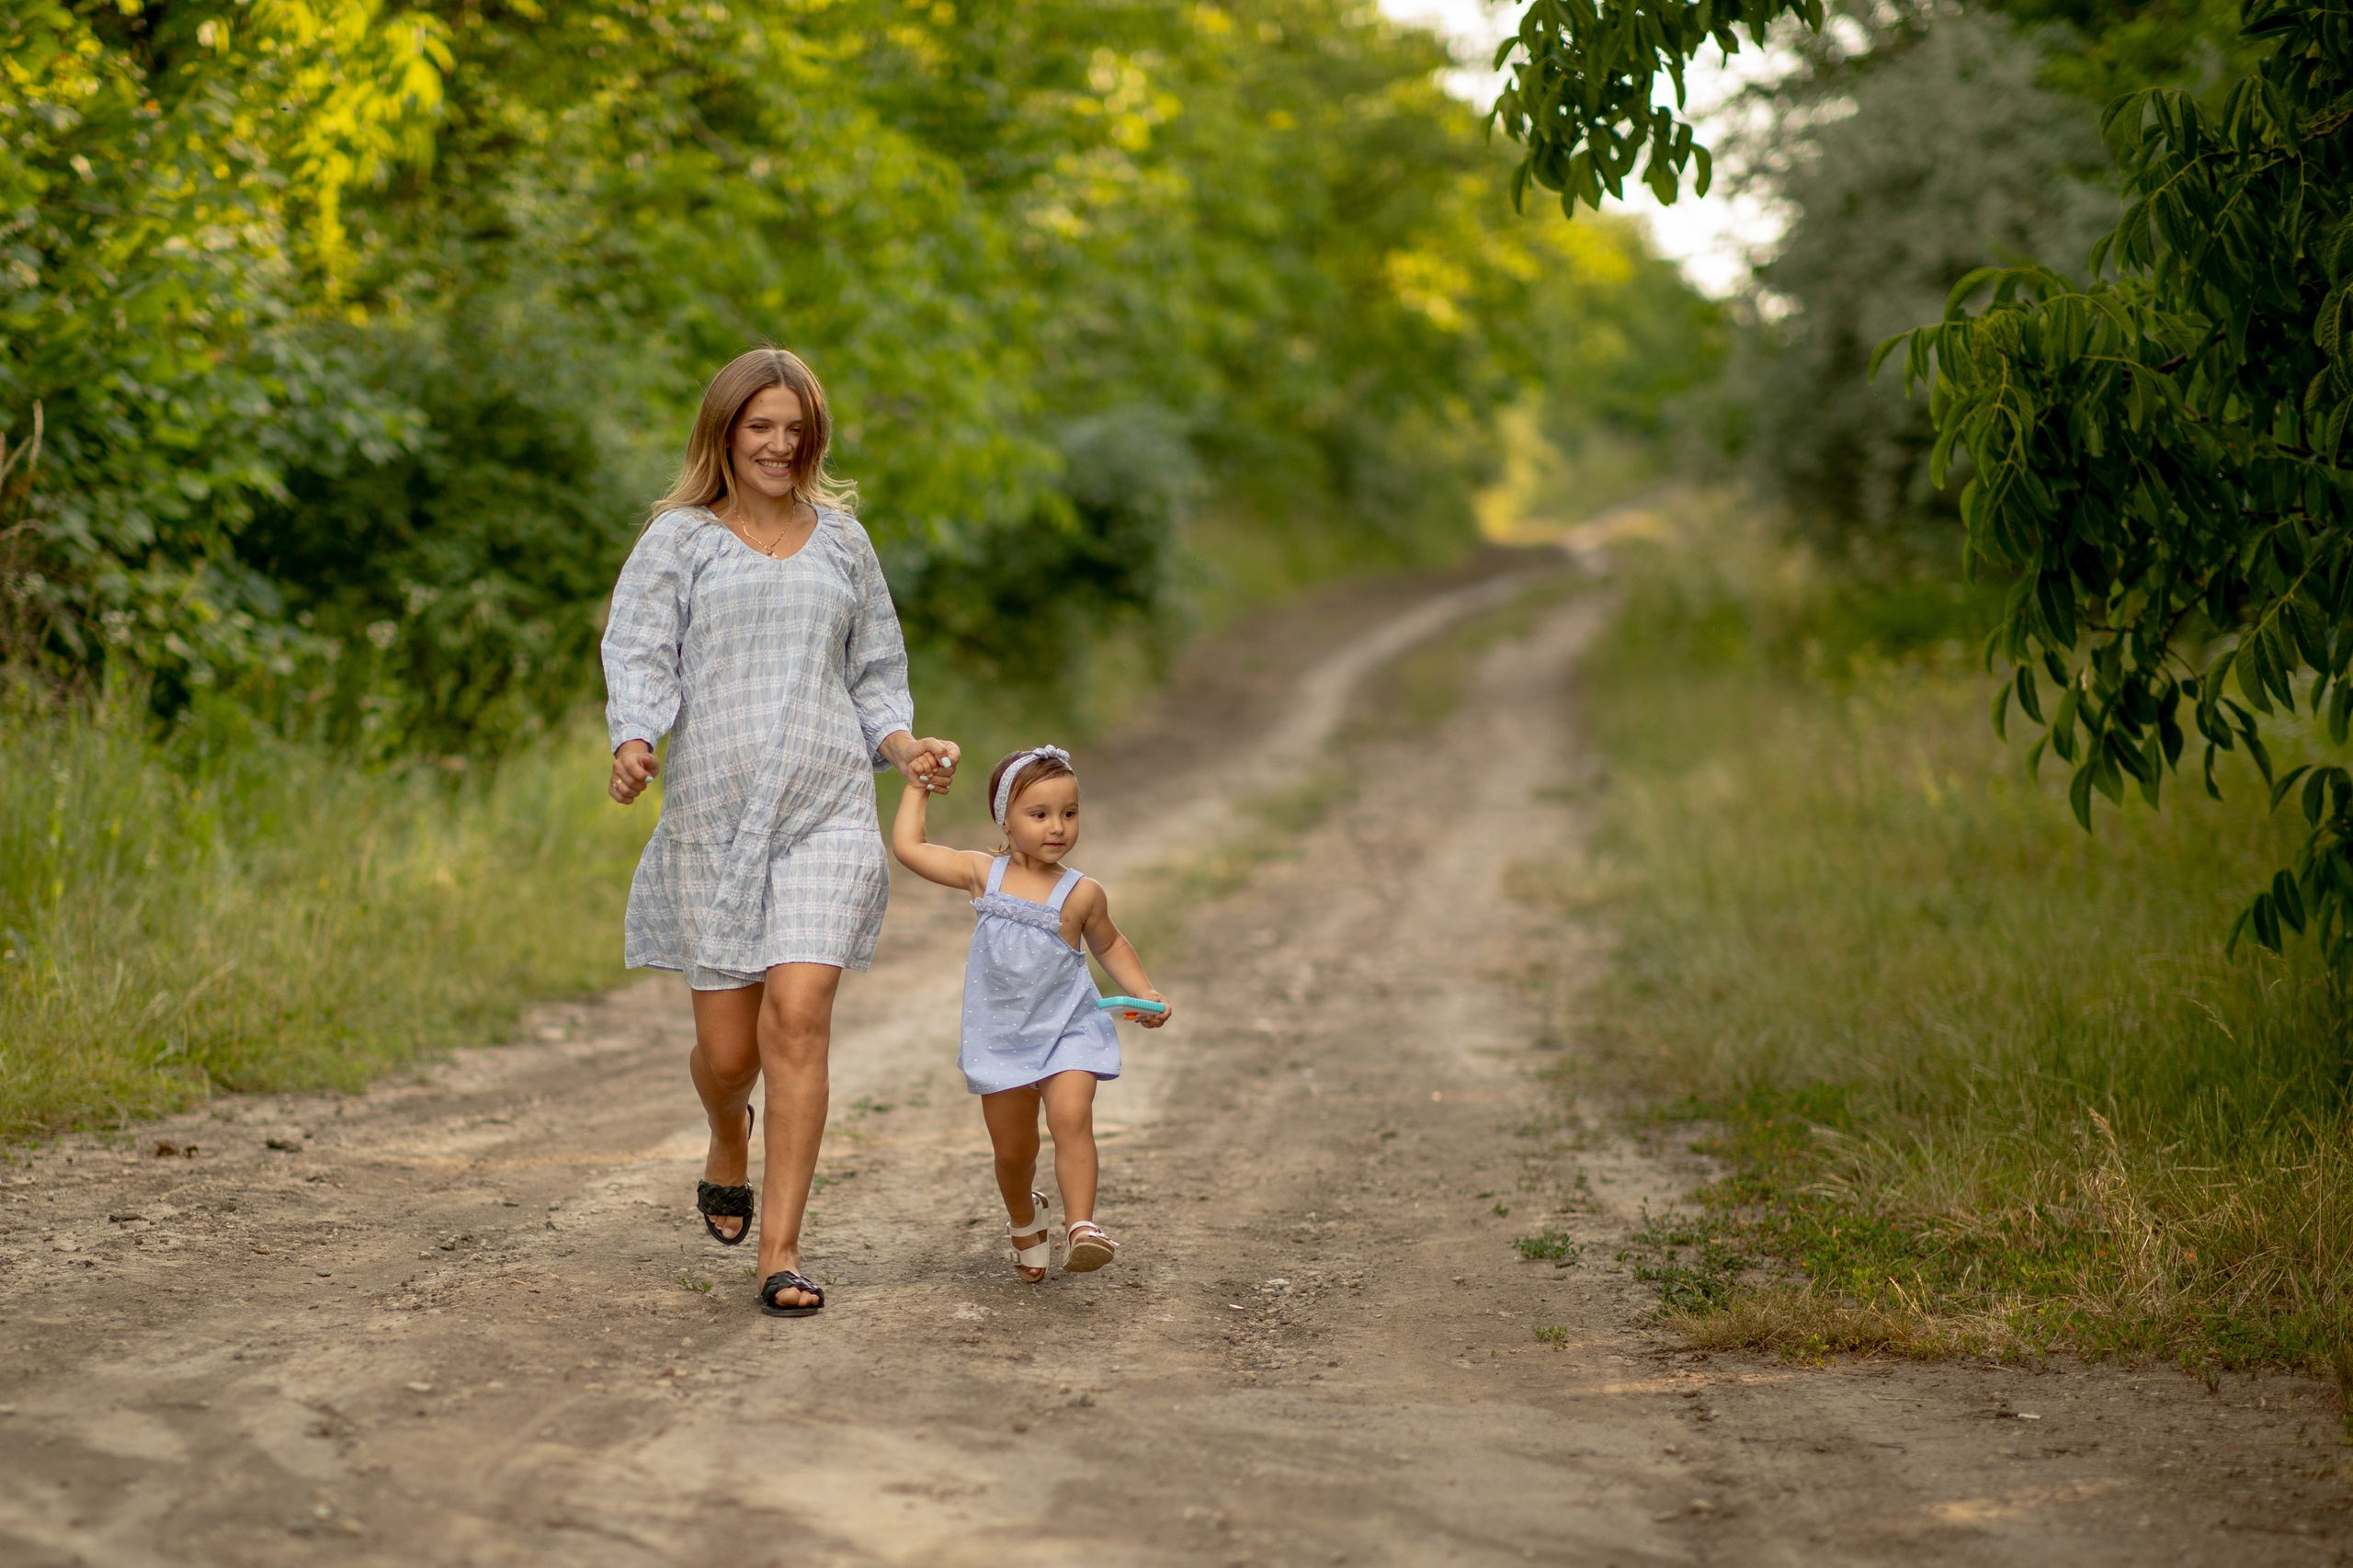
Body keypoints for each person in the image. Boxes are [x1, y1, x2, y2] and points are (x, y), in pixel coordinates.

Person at [602, 347, 961, 1320]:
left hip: (827, 808)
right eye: (761, 425)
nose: (779, 443)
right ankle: (728, 1135)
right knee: (728, 1054)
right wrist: (636, 737)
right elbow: (639, 650)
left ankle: (782, 1251)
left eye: (795, 428)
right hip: (716, 818)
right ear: (725, 431)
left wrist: (902, 740)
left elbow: (875, 669)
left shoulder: (843, 541)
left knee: (798, 1016)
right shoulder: (679, 540)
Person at [889, 744, 1170, 1280]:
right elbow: (909, 846)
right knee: (1014, 1152)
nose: (1057, 827)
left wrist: (1145, 992)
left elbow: (1110, 945)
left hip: (1069, 1029)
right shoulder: (981, 873)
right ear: (1005, 820)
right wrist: (916, 786)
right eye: (1038, 815)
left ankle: (1082, 1227)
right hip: (1001, 1039)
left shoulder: (1082, 893)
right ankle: (1025, 1216)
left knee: (1072, 1119)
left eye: (1069, 813)